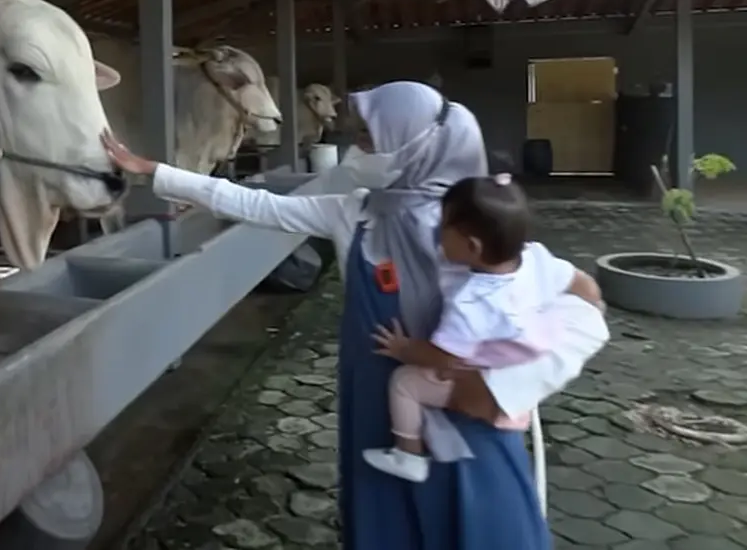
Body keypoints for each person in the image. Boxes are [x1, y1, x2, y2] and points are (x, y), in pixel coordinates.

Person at [101, 80, 607, 550]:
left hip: (463, 405)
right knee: (385, 512)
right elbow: (255, 204)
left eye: (371, 137)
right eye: (359, 136)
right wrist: (156, 173)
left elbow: (584, 305)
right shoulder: (356, 211)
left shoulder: (479, 223)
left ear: (417, 145)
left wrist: (509, 389)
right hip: (376, 394)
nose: (358, 150)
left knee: (481, 521)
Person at [361, 173, 605, 483]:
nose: (438, 232)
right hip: (523, 363)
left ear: (473, 246)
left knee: (404, 382)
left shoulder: (473, 303)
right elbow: (584, 284)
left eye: (445, 227)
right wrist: (595, 305)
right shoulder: (537, 259)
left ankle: (408, 454)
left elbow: (444, 357)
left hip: (483, 384)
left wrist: (403, 348)